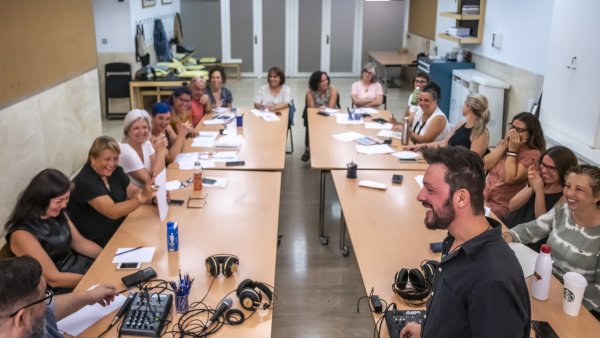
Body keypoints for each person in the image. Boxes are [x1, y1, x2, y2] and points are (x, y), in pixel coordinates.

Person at [400, 146, 531, 337]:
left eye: (430, 189)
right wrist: (427, 331)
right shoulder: (456, 241)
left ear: (461, 198)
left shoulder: (491, 280)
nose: (420, 196)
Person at [504, 164, 600, 318]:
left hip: (578, 309)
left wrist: (558, 296)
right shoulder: (562, 211)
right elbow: (529, 230)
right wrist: (506, 237)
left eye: (579, 189)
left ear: (597, 196)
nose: (569, 193)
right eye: (568, 186)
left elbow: (597, 294)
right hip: (545, 289)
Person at [4, 169, 101, 293]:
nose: (65, 205)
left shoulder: (57, 213)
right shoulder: (22, 234)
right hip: (61, 288)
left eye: (67, 199)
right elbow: (54, 279)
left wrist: (109, 257)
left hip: (81, 270)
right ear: (41, 199)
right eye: (59, 201)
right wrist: (93, 279)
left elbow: (81, 243)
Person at [67, 136, 156, 247]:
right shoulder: (85, 181)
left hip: (119, 228)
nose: (112, 164)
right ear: (93, 159)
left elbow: (132, 192)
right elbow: (112, 212)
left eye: (115, 159)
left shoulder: (116, 171)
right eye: (107, 159)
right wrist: (142, 197)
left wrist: (153, 199)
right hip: (100, 240)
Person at [0, 256, 117, 338]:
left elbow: (53, 307)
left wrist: (89, 296)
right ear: (21, 319)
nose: (47, 303)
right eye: (44, 297)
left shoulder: (21, 317)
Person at [483, 112, 546, 220]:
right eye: (512, 127)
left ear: (531, 134)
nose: (513, 133)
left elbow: (510, 178)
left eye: (519, 130)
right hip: (484, 198)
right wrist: (504, 145)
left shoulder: (533, 154)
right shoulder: (506, 143)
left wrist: (512, 150)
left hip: (501, 206)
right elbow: (485, 164)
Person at [505, 146, 578, 230]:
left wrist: (539, 191)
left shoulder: (565, 195)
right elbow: (512, 206)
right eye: (543, 164)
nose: (544, 170)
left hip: (526, 239)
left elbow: (543, 223)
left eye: (551, 168)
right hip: (507, 227)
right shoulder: (538, 180)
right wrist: (532, 187)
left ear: (564, 171)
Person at [406, 93, 490, 157]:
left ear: (468, 106)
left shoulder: (480, 133)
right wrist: (421, 146)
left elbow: (473, 162)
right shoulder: (461, 123)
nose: (462, 106)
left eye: (464, 103)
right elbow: (444, 143)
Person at [119, 109, 167, 188]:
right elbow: (151, 182)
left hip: (150, 193)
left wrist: (160, 151)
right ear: (127, 131)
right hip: (135, 198)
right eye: (136, 128)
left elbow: (160, 173)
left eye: (144, 127)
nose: (141, 131)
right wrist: (161, 152)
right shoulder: (126, 152)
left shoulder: (146, 143)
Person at [301, 70, 339, 162]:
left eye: (326, 80)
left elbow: (331, 107)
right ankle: (308, 148)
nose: (325, 82)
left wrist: (325, 109)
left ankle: (329, 147)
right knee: (310, 122)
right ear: (316, 83)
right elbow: (312, 110)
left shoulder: (332, 89)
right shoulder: (310, 92)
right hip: (316, 113)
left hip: (331, 113)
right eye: (322, 81)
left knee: (329, 124)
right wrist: (319, 109)